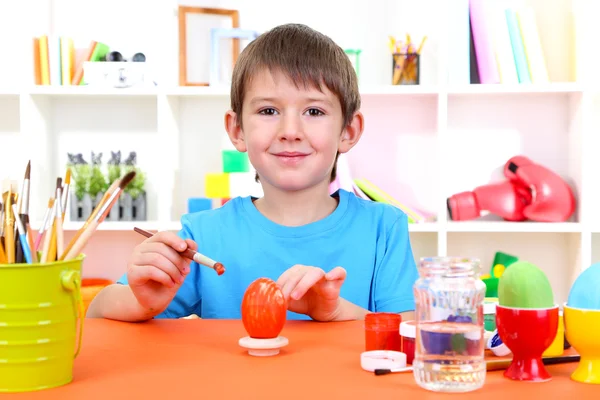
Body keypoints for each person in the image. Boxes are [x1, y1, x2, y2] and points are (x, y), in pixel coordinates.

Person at [87, 23, 419, 323]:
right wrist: (143, 301)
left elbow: (411, 333)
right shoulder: (202, 234)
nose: (291, 130)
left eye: (314, 111)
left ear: (348, 130)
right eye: (269, 110)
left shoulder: (383, 228)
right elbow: (97, 312)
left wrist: (336, 312)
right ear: (237, 130)